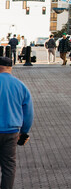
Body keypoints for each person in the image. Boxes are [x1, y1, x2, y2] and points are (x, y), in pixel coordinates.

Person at [0, 56, 34, 189]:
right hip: (12, 131)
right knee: (9, 165)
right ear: (11, 68)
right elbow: (29, 112)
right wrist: (24, 132)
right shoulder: (20, 85)